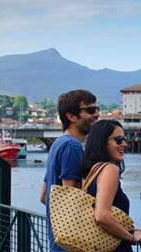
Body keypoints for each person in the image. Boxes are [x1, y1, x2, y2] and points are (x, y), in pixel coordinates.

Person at [80, 119, 141, 252]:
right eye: (118, 139)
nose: (124, 144)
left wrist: (135, 231)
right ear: (102, 142)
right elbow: (102, 216)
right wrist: (131, 237)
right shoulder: (110, 169)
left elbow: (100, 217)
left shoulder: (92, 171)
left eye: (124, 139)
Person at [40, 89, 100, 251]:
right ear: (71, 116)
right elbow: (71, 200)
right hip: (71, 245)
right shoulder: (72, 147)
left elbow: (44, 197)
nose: (97, 114)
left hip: (58, 242)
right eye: (90, 110)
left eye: (97, 109)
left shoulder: (58, 144)